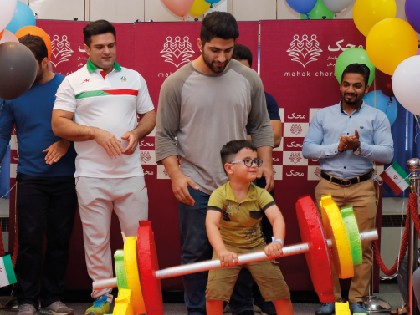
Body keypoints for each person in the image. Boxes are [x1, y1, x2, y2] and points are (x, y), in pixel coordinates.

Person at [155, 11, 274, 315]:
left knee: (244, 253)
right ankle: (197, 311)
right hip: (196, 185)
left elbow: (261, 126)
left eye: (228, 50)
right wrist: (176, 176)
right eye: (215, 50)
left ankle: (242, 309)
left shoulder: (248, 79)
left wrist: (267, 163)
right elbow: (165, 135)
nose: (221, 58)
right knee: (196, 255)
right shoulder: (176, 83)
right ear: (200, 43)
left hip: (240, 186)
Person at [51, 19, 156, 315]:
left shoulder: (134, 78)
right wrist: (95, 133)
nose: (107, 51)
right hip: (91, 176)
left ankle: (133, 295)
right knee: (96, 240)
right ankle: (102, 295)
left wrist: (137, 133)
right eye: (99, 47)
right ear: (85, 48)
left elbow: (150, 115)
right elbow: (59, 123)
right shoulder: (72, 81)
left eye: (111, 45)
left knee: (135, 242)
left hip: (130, 175)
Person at [302, 63, 394, 315]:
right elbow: (308, 149)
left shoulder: (377, 117)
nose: (350, 90)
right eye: (346, 84)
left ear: (365, 88)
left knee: (360, 247)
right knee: (328, 246)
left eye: (357, 85)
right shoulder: (323, 115)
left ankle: (357, 300)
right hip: (329, 187)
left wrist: (360, 146)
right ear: (340, 85)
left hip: (362, 189)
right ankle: (330, 300)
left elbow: (387, 153)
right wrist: (338, 147)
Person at [0, 35, 77, 315]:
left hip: (66, 177)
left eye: (28, 66)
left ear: (45, 61)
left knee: (59, 240)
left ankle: (54, 297)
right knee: (30, 241)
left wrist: (66, 141)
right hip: (30, 178)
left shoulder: (67, 85)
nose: (21, 73)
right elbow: (2, 134)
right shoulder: (12, 90)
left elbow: (84, 124)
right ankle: (28, 300)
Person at [205, 139, 294, 315]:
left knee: (280, 292)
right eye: (247, 161)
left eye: (256, 161)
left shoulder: (261, 194)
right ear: (229, 168)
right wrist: (222, 252)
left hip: (257, 248)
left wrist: (277, 242)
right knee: (214, 295)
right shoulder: (219, 195)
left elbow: (277, 218)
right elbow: (212, 224)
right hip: (227, 248)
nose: (254, 165)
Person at [231, 43, 282, 315]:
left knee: (264, 237)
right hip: (228, 182)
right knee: (231, 239)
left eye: (245, 68)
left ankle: (265, 296)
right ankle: (236, 299)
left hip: (258, 180)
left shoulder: (265, 98)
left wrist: (237, 140)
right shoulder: (221, 99)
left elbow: (273, 136)